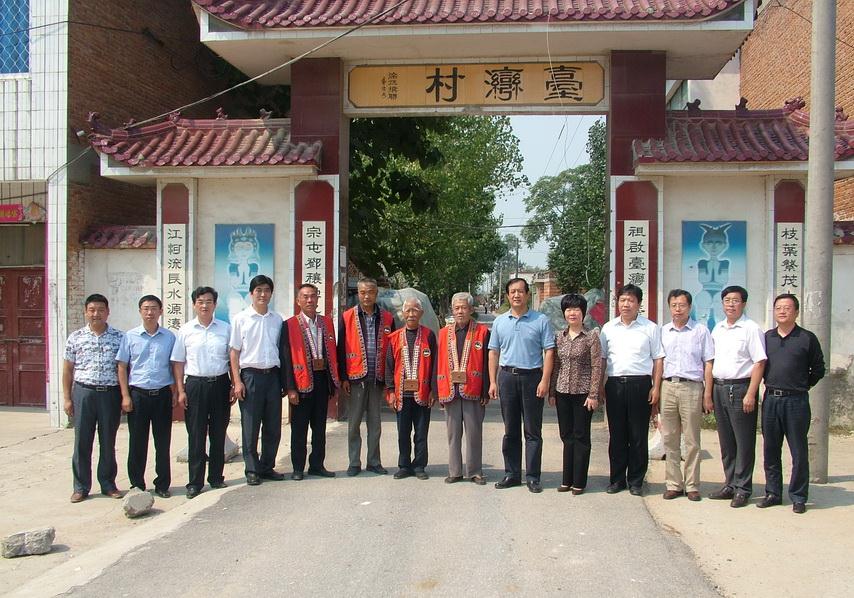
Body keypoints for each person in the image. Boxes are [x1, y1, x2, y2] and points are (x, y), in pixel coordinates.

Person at [758, 293, 825, 514]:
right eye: (778, 308)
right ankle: (773, 493)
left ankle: (798, 496)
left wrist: (802, 385)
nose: (782, 311)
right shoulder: (767, 338)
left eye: (787, 308)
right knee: (770, 449)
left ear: (796, 312)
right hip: (771, 400)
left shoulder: (807, 338)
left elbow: (818, 369)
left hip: (796, 401)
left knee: (798, 450)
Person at [488, 278, 555, 493]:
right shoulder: (500, 322)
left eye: (520, 291)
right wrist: (492, 381)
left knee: (533, 430)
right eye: (512, 292)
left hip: (532, 378)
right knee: (511, 430)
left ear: (527, 295)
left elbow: (549, 351)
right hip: (507, 377)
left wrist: (545, 380)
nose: (516, 295)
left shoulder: (540, 320)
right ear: (507, 296)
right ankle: (512, 473)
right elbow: (494, 352)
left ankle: (533, 476)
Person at [599, 284, 664, 496]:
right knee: (617, 435)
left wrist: (656, 387)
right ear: (617, 303)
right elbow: (602, 360)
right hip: (615, 384)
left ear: (639, 304)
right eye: (622, 300)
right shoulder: (608, 328)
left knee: (638, 435)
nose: (626, 304)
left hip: (641, 385)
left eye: (631, 300)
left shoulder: (650, 328)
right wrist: (600, 386)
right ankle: (617, 479)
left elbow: (658, 360)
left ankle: (636, 481)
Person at [171, 286, 234, 499]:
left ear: (215, 304)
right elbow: (179, 362)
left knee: (218, 432)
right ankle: (195, 482)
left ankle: (216, 477)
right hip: (195, 385)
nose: (205, 305)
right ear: (194, 305)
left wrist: (234, 384)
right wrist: (180, 390)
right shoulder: (186, 331)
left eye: (209, 301)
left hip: (220, 384)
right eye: (200, 301)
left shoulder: (225, 329)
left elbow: (233, 359)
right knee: (196, 434)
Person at [63, 294, 125, 503]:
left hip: (110, 394)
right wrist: (67, 398)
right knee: (82, 441)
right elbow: (67, 370)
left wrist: (125, 395)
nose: (96, 314)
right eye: (92, 309)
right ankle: (80, 487)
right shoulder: (76, 337)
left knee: (108, 440)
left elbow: (124, 368)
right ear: (85, 312)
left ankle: (108, 484)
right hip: (84, 392)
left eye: (100, 310)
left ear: (108, 312)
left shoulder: (119, 337)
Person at [708, 285, 766, 508]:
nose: (730, 304)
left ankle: (743, 488)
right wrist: (709, 392)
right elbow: (711, 361)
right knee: (726, 441)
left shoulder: (751, 329)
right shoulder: (718, 329)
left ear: (744, 304)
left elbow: (759, 362)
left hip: (741, 389)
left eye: (735, 300)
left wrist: (752, 393)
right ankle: (730, 483)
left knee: (744, 441)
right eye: (727, 300)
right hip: (720, 388)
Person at [656, 289, 714, 502]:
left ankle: (692, 485)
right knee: (670, 438)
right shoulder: (663, 331)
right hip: (668, 387)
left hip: (692, 388)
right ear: (670, 307)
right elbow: (659, 362)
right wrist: (656, 389)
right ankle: (673, 484)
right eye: (674, 305)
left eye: (682, 305)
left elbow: (708, 363)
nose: (678, 309)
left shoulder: (700, 331)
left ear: (690, 307)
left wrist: (708, 392)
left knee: (692, 439)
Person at [117, 295, 177, 498]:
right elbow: (122, 366)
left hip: (161, 395)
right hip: (138, 395)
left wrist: (176, 390)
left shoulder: (169, 337)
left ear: (161, 311)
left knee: (163, 442)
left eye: (153, 308)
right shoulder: (130, 336)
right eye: (145, 308)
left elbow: (174, 366)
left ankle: (162, 484)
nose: (150, 312)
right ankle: (137, 484)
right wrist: (125, 396)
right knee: (137, 442)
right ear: (140, 311)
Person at [229, 275, 284, 486]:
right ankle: (251, 468)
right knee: (250, 426)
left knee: (273, 426)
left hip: (273, 377)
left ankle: (267, 466)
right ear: (251, 293)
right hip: (250, 376)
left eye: (267, 290)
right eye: (258, 290)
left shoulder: (277, 319)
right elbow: (234, 353)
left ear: (271, 293)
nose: (263, 294)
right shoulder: (241, 319)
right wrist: (237, 382)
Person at [281, 283, 340, 480]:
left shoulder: (326, 322)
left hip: (322, 379)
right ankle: (298, 467)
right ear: (298, 301)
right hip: (301, 382)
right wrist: (290, 388)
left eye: (313, 296)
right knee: (299, 428)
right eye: (305, 297)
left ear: (318, 299)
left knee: (319, 428)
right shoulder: (289, 325)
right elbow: (286, 358)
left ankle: (317, 465)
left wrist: (334, 380)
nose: (309, 300)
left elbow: (333, 351)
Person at [338, 277, 395, 477]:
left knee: (375, 423)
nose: (366, 296)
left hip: (377, 378)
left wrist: (390, 382)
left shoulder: (387, 318)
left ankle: (374, 461)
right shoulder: (347, 317)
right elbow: (340, 349)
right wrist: (343, 377)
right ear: (359, 294)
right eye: (362, 292)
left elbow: (392, 351)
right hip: (355, 379)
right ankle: (354, 462)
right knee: (353, 423)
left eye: (370, 292)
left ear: (376, 293)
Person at [548, 293, 601, 495]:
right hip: (562, 392)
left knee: (581, 436)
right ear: (564, 313)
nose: (572, 313)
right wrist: (552, 392)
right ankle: (566, 479)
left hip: (583, 393)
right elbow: (556, 365)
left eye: (576, 309)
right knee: (566, 435)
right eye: (569, 309)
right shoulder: (559, 337)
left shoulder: (591, 338)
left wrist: (593, 394)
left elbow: (597, 366)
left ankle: (579, 481)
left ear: (583, 313)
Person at [437, 292, 490, 485]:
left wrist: (485, 390)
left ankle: (474, 471)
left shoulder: (482, 332)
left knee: (474, 433)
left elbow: (486, 362)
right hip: (450, 389)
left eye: (464, 308)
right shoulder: (443, 333)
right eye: (457, 308)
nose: (460, 311)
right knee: (453, 434)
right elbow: (438, 362)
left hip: (473, 389)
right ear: (453, 310)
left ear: (471, 309)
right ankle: (455, 471)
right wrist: (438, 392)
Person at [385, 297, 437, 480]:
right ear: (403, 314)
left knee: (421, 432)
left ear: (421, 313)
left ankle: (420, 465)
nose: (411, 314)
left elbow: (435, 365)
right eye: (408, 311)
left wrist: (433, 390)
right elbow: (389, 367)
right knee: (403, 432)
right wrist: (390, 392)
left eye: (415, 310)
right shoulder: (394, 338)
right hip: (401, 394)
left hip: (422, 393)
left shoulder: (429, 335)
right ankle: (404, 465)